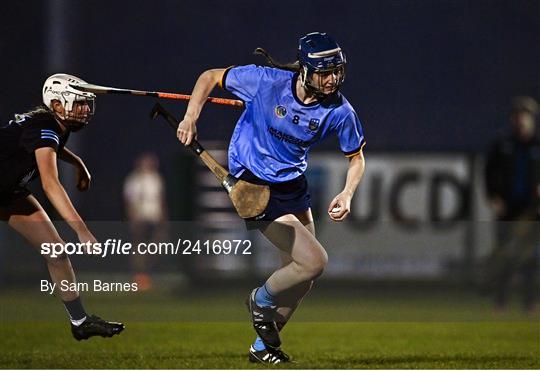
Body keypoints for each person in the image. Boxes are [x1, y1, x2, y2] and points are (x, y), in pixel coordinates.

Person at [177, 32, 366, 363]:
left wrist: (348, 193)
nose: (332, 79)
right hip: (254, 184)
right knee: (315, 261)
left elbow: (357, 158)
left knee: (302, 280)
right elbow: (210, 77)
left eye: (337, 71)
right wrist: (191, 116)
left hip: (292, 185)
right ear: (305, 71)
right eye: (324, 72)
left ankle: (262, 348)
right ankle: (259, 299)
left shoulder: (339, 110)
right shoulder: (265, 81)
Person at [0, 73, 124, 340]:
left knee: (55, 252)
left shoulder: (51, 127)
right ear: (56, 104)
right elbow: (50, 185)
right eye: (78, 103)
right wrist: (82, 231)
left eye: (87, 103)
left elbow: (50, 146)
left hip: (7, 194)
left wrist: (78, 163)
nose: (85, 110)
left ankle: (80, 322)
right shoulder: (46, 125)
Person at [484, 95, 540, 314]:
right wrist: (493, 196)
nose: (521, 120)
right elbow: (488, 173)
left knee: (530, 258)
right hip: (507, 208)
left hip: (532, 210)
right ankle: (501, 302)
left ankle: (530, 303)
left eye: (525, 116)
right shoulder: (502, 146)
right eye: (518, 115)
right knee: (504, 256)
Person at [123, 152, 167, 291]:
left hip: (154, 217)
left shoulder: (156, 178)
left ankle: (149, 274)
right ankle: (139, 277)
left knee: (155, 246)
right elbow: (130, 202)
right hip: (140, 218)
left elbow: (160, 200)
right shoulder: (134, 180)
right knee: (139, 247)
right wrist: (133, 218)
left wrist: (163, 217)